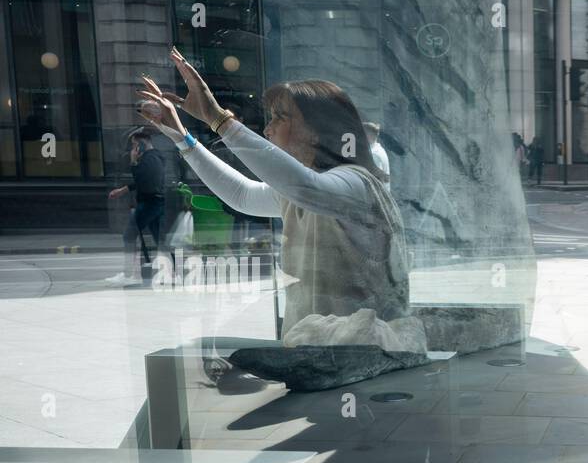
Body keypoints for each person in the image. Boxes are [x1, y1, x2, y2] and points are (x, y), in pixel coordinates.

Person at [137, 47, 408, 333]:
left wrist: (218, 119)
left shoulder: (357, 185)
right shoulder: (302, 189)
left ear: (317, 131)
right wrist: (184, 139)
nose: (268, 129)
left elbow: (305, 187)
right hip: (319, 351)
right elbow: (243, 195)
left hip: (362, 352)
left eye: (280, 118)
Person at [105, 128, 166, 286]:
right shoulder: (154, 157)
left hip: (148, 204)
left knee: (129, 236)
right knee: (159, 240)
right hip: (153, 203)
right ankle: (173, 273)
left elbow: (141, 178)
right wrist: (122, 190)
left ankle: (127, 274)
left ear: (142, 145)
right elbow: (141, 181)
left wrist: (133, 161)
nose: (133, 149)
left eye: (134, 146)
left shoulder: (149, 159)